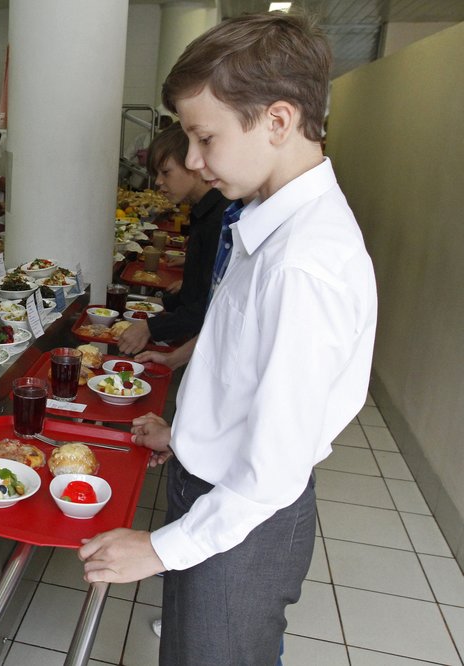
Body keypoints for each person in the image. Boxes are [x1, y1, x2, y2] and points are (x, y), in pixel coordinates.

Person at [79, 12, 377, 666]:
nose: (192, 160)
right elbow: (242, 372)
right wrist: (188, 437)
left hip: (242, 521)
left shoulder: (302, 264)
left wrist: (159, 548)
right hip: (217, 495)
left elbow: (274, 468)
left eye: (204, 137)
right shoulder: (269, 223)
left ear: (277, 120)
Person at [116, 122, 232, 355]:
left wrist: (150, 328)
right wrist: (163, 304)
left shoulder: (218, 219)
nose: (159, 182)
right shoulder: (202, 212)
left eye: (166, 172)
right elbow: (194, 293)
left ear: (194, 164)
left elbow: (206, 307)